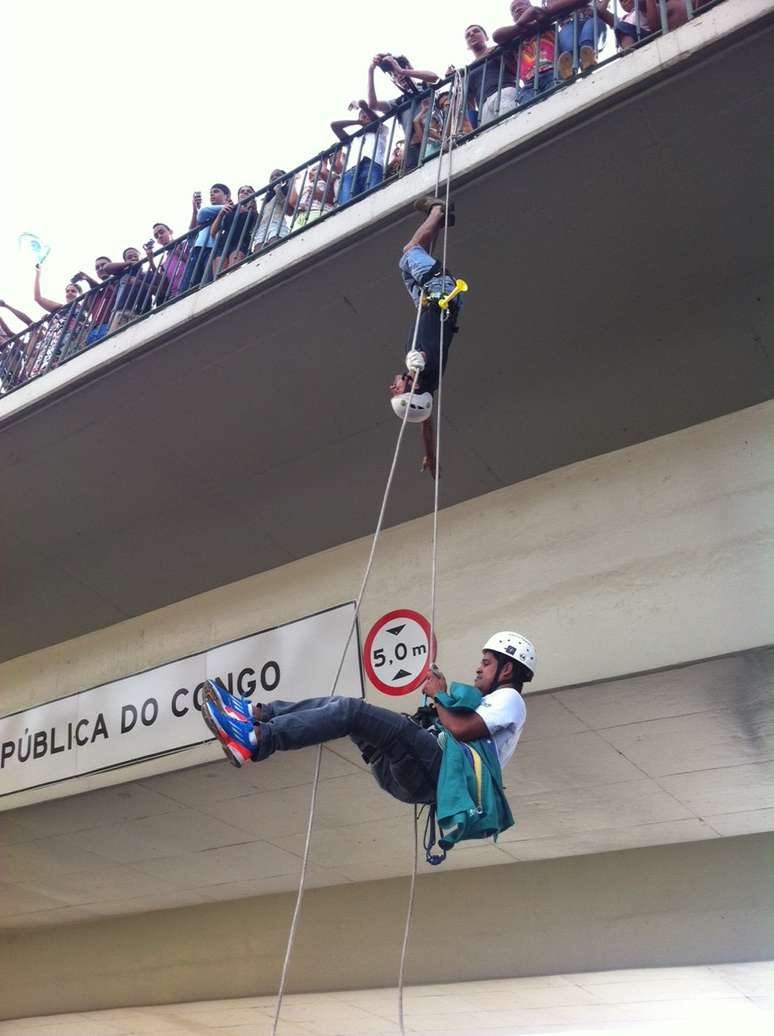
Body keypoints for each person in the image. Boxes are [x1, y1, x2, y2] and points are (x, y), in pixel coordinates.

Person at [199, 630, 535, 836]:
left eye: (487, 662)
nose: (479, 667)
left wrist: (438, 695)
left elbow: (460, 730)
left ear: (507, 669)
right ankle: (256, 715)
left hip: (434, 769)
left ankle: (257, 739)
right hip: (413, 775)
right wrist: (441, 700)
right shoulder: (490, 703)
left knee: (351, 712)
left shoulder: (510, 699)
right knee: (344, 709)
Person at [389, 198, 462, 479]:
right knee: (409, 253)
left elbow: (425, 423)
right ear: (411, 387)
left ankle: (438, 222)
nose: (392, 385)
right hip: (439, 293)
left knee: (410, 271)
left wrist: (431, 454)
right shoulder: (418, 364)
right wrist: (415, 364)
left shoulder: (428, 385)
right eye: (396, 390)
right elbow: (419, 365)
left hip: (431, 300)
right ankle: (438, 210)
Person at [493, 0, 590, 104]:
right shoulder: (514, 38)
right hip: (529, 83)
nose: (517, 9)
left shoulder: (545, 20)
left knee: (560, 104)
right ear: (513, 18)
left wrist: (526, 21)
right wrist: (520, 25)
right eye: (513, 9)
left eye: (521, 4)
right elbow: (496, 36)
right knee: (530, 115)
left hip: (553, 72)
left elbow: (534, 12)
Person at [366, 53, 440, 172]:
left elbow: (434, 77)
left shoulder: (425, 86)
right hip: (412, 146)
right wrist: (371, 70)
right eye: (394, 75)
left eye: (397, 71)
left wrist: (402, 70)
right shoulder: (399, 101)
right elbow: (372, 104)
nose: (398, 76)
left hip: (433, 136)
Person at [30, 265, 86, 373]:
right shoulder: (61, 308)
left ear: (79, 294)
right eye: (67, 291)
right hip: (56, 344)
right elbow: (38, 298)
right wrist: (38, 274)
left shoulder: (85, 307)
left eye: (73, 291)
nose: (69, 292)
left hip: (73, 342)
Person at [331, 100, 389, 203]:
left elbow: (372, 116)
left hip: (372, 164)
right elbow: (334, 125)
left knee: (373, 199)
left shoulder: (380, 130)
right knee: (347, 205)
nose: (366, 117)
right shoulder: (353, 138)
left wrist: (364, 108)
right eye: (363, 116)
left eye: (368, 116)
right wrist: (357, 122)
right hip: (350, 170)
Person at [179, 183, 231, 292]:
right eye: (210, 193)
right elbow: (192, 231)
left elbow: (202, 213)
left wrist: (229, 207)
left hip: (212, 249)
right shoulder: (213, 211)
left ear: (227, 196)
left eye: (216, 191)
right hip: (198, 248)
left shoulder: (230, 210)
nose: (212, 195)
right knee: (188, 286)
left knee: (206, 283)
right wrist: (194, 209)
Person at [463, 24, 518, 126]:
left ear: (486, 37)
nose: (472, 34)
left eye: (476, 31)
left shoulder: (498, 49)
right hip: (483, 106)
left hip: (504, 92)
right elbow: (469, 100)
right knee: (493, 137)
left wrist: (497, 55)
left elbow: (516, 70)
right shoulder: (469, 69)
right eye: (468, 35)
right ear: (467, 45)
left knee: (511, 125)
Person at [210, 185, 259, 273]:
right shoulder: (230, 209)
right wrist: (221, 214)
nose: (245, 192)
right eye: (242, 191)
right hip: (223, 244)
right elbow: (213, 232)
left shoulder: (253, 211)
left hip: (240, 243)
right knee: (218, 277)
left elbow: (257, 228)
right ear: (238, 195)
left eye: (249, 191)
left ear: (254, 195)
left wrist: (253, 210)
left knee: (232, 272)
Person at [71, 257, 118, 345]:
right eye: (97, 267)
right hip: (93, 331)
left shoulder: (118, 281)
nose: (100, 269)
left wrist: (88, 278)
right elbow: (96, 288)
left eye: (103, 265)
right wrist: (87, 279)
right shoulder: (97, 293)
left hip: (110, 325)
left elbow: (115, 291)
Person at [556, 2, 608, 79]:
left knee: (591, 26)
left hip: (591, 17)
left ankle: (587, 57)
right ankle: (569, 66)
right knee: (567, 36)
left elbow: (601, 8)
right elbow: (552, 6)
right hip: (569, 23)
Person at [252, 170, 297, 251]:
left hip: (277, 223)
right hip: (263, 228)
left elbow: (290, 212)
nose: (274, 177)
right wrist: (254, 210)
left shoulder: (285, 190)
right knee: (258, 252)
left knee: (276, 249)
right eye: (272, 177)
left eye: (278, 175)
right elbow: (261, 218)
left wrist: (278, 191)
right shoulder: (267, 197)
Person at [149, 222, 190, 305]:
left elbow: (194, 263)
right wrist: (151, 261)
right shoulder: (164, 263)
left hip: (191, 287)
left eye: (161, 232)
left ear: (170, 231)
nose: (160, 236)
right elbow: (163, 284)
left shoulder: (186, 244)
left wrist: (177, 250)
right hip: (175, 297)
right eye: (156, 236)